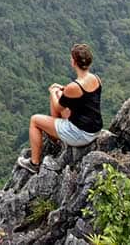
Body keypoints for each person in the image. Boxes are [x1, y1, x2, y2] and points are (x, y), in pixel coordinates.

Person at [16, 43, 102, 173]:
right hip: (94, 128)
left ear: (73, 62)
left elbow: (58, 106)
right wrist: (62, 91)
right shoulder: (96, 78)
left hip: (81, 134)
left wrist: (52, 91)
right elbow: (84, 98)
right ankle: (55, 138)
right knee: (59, 94)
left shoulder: (73, 87)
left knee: (34, 120)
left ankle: (34, 163)